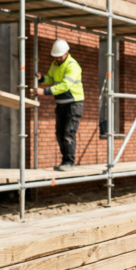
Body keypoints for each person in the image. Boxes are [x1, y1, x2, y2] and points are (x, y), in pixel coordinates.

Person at [36, 39, 84, 171]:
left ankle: (69, 163)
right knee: (60, 134)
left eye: (59, 56)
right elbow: (52, 79)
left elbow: (64, 86)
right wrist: (42, 79)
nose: (57, 59)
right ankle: (65, 162)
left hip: (73, 104)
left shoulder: (72, 65)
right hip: (61, 105)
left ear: (66, 52)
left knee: (69, 134)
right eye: (55, 57)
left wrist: (44, 91)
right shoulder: (55, 64)